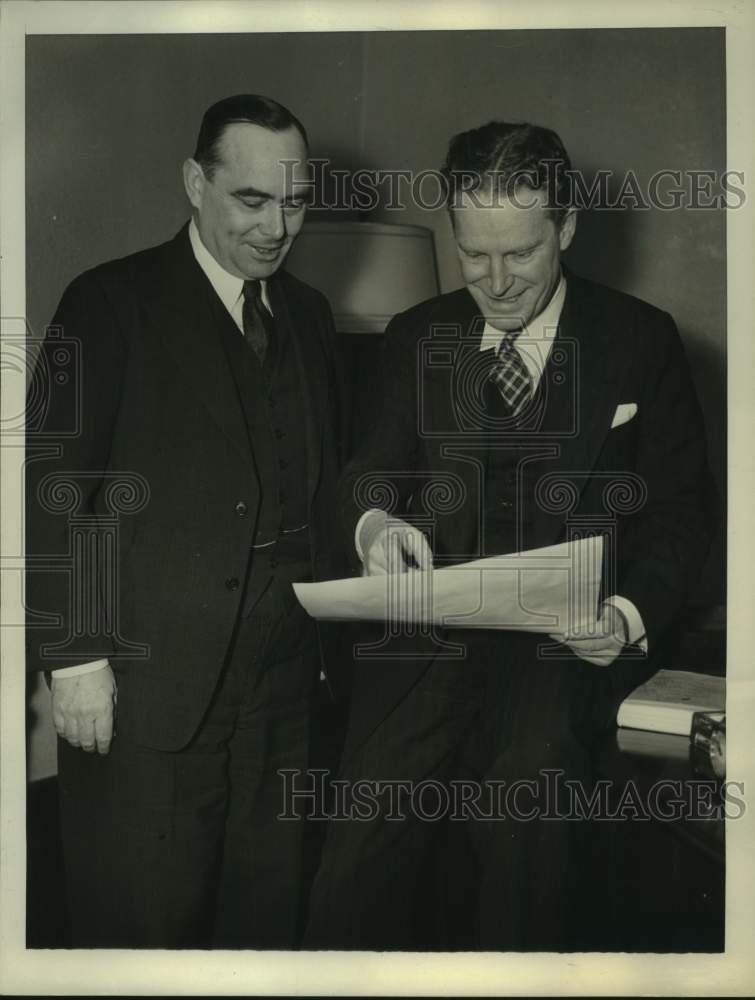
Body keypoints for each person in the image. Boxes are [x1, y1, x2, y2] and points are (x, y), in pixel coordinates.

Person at [304, 121, 718, 951]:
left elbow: (682, 512)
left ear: (565, 227)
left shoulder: (639, 339)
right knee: (352, 871)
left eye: (519, 254)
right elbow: (365, 475)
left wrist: (627, 614)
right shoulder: (416, 335)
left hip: (563, 657)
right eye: (473, 254)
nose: (493, 282)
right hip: (427, 652)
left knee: (528, 831)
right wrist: (376, 524)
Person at [25, 94, 343, 948]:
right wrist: (75, 657)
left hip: (284, 691)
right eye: (251, 200)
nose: (277, 228)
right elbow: (50, 487)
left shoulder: (310, 315)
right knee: (144, 934)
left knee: (264, 931)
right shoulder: (107, 302)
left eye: (295, 202)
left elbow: (326, 487)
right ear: (195, 184)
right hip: (148, 690)